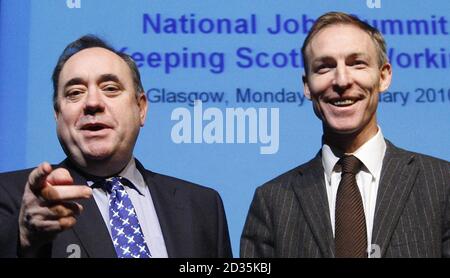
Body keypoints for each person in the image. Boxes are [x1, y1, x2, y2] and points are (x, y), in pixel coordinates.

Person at [0, 35, 232, 258]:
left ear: (140, 108)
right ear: (58, 115)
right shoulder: (12, 195)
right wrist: (22, 238)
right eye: (75, 93)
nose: (92, 103)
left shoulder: (202, 205)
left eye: (110, 88)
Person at [240, 12, 450, 258]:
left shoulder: (442, 184)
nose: (341, 80)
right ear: (307, 86)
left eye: (357, 64)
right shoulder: (272, 201)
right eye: (325, 67)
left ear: (383, 76)